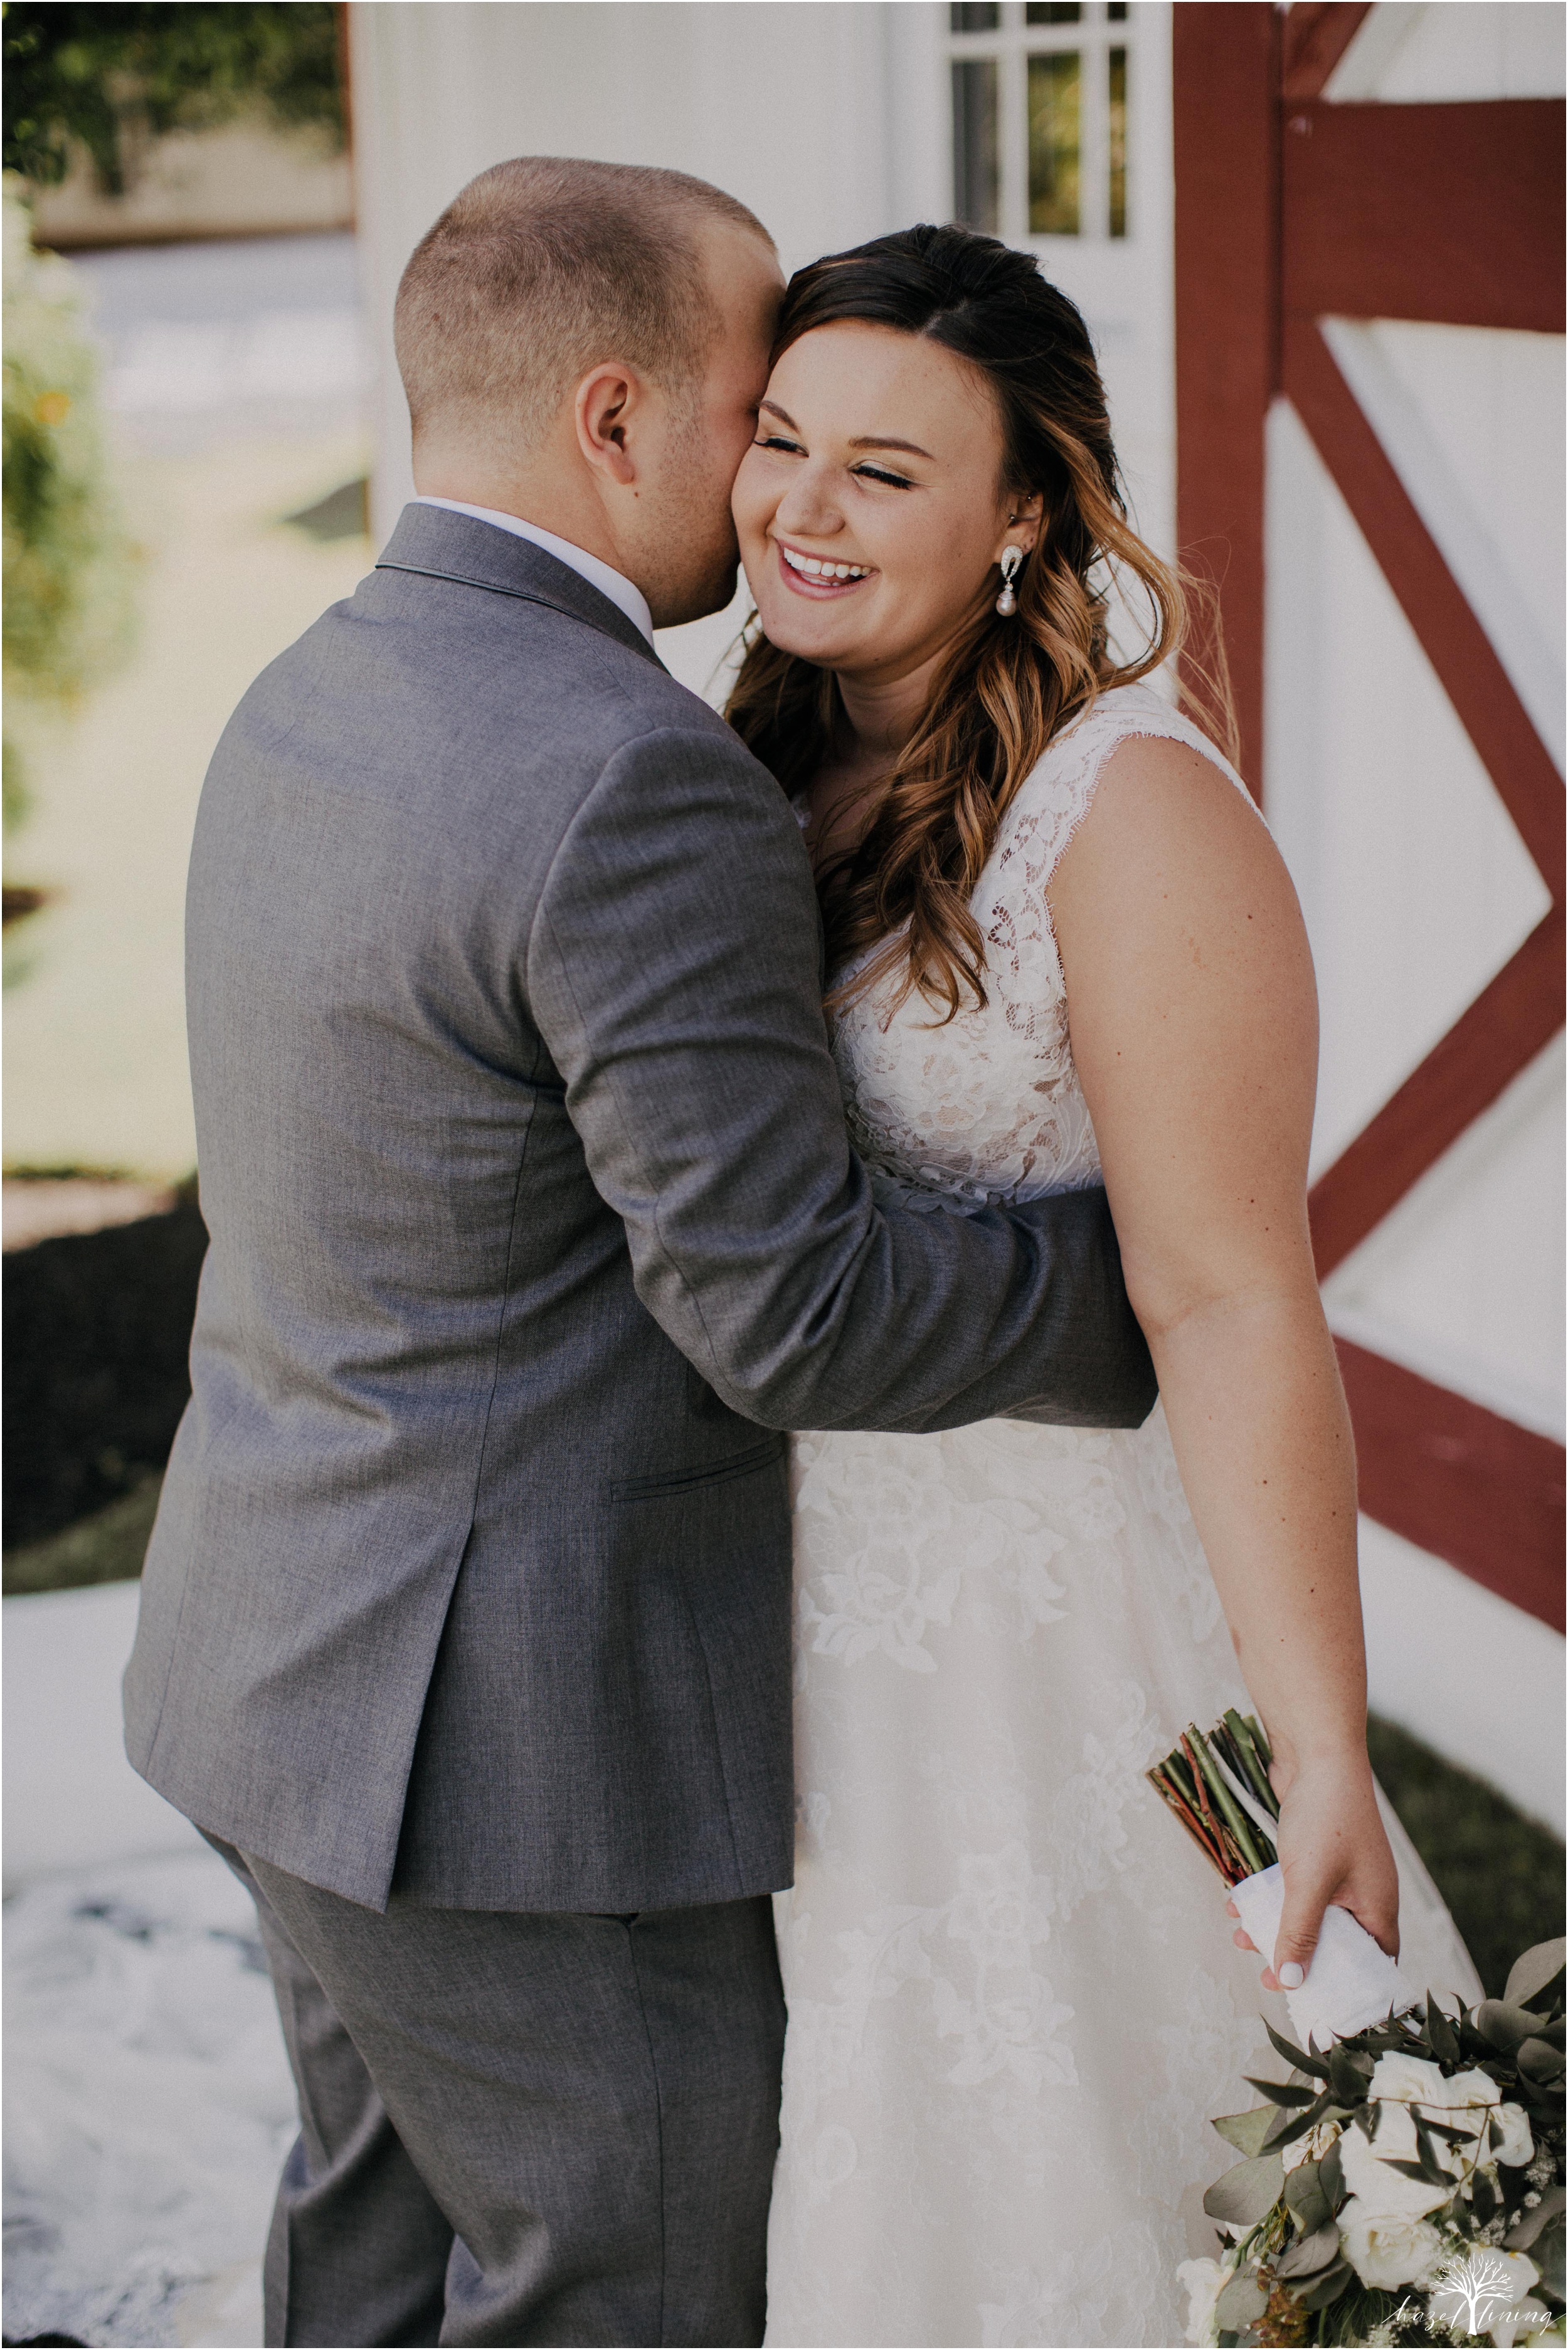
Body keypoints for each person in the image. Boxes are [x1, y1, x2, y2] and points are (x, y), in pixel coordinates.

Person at [123, 163, 1160, 2349]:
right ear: (616, 420)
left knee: (379, 2254)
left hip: (268, 1673)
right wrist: (1145, 1278)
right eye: (754, 410)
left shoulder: (315, 681)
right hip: (511, 1762)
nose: (778, 474)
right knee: (629, 2288)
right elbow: (787, 1310)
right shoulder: (628, 773)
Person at [726, 224, 1483, 2349]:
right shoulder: (751, 766)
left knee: (1150, 2171)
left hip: (1070, 1638)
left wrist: (1317, 1740)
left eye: (883, 468)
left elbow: (1233, 1296)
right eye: (780, 438)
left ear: (1024, 513)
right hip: (796, 1633)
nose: (801, 503)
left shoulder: (1127, 809)